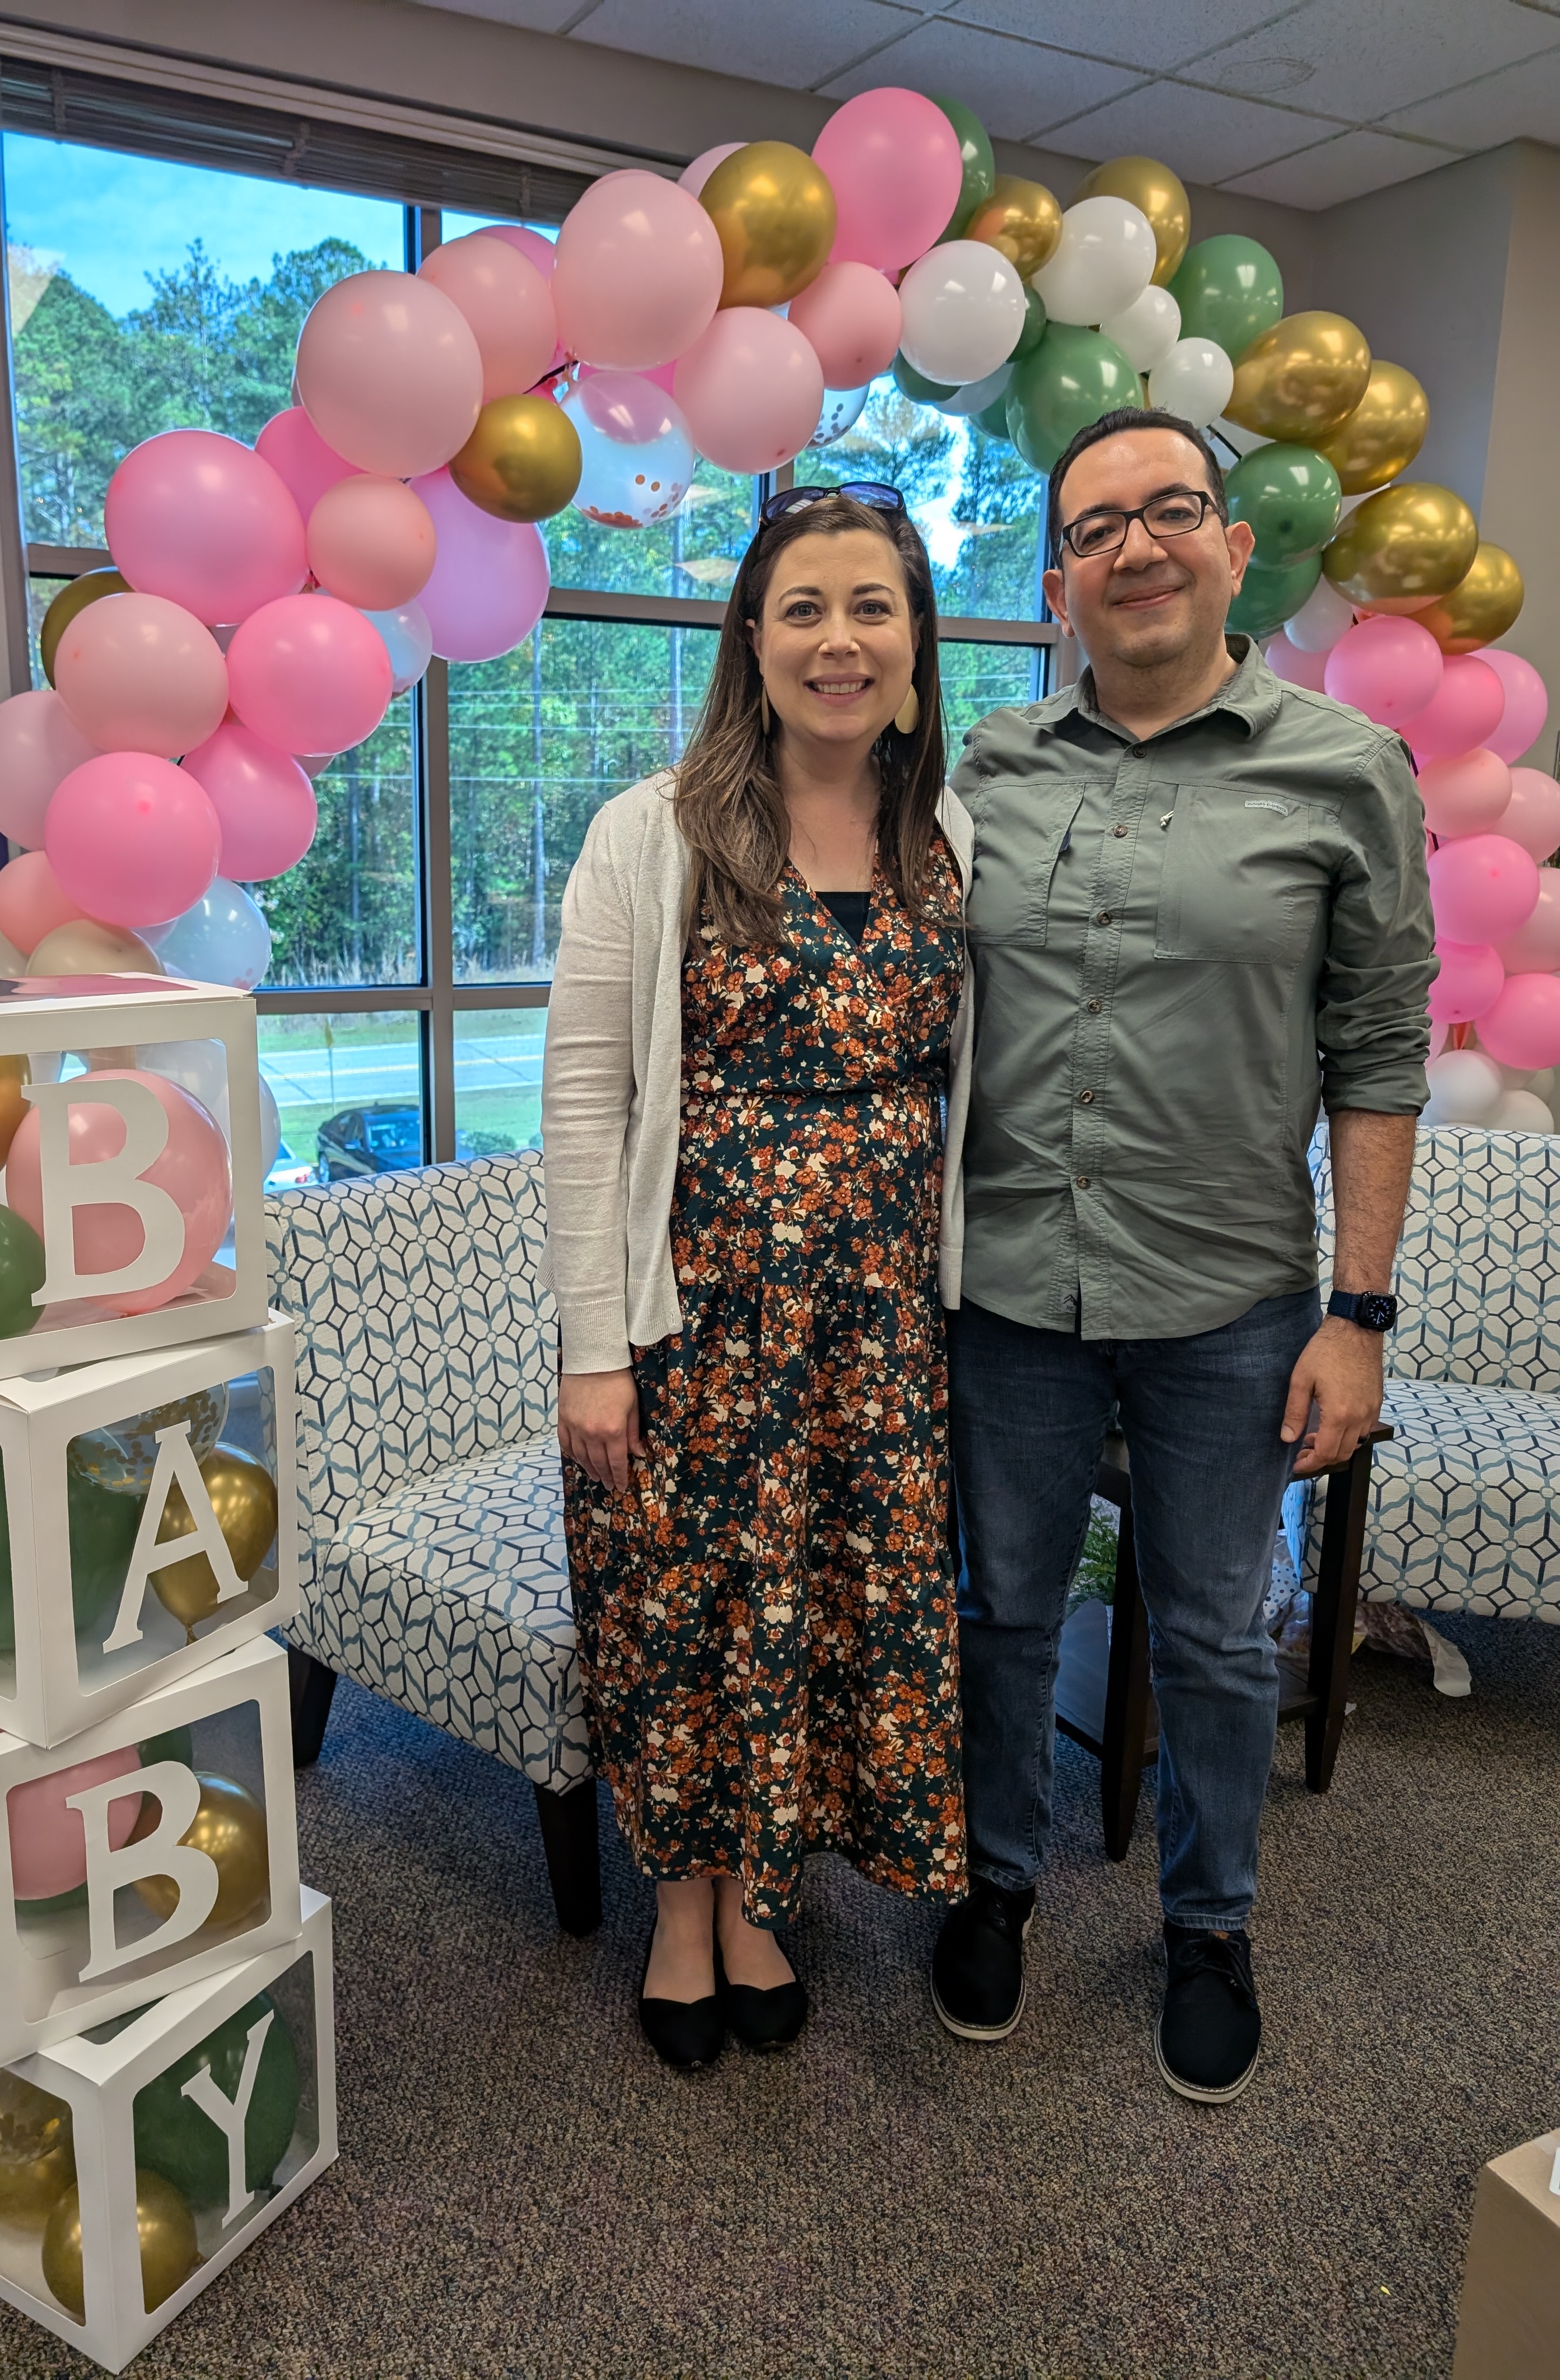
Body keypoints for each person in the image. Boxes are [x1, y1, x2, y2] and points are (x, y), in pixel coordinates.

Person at [933, 407, 1435, 2104]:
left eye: (1172, 511)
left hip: (1231, 1299)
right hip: (1008, 1290)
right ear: (1060, 577)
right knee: (1002, 1612)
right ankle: (995, 1877)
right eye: (1095, 527)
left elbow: (1379, 1056)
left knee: (1218, 1635)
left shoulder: (1346, 771)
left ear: (1232, 546)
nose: (1135, 546)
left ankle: (1207, 1924)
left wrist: (1357, 1314)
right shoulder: (987, 775)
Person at [542, 487, 974, 2070]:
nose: (838, 640)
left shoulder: (948, 834)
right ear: (751, 634)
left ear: (917, 638)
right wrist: (597, 1345)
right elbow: (586, 1098)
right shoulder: (649, 829)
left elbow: (955, 1085)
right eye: (803, 607)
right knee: (684, 1611)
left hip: (877, 1327)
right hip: (690, 1317)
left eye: (873, 605)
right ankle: (681, 1910)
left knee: (822, 1612)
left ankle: (763, 1900)